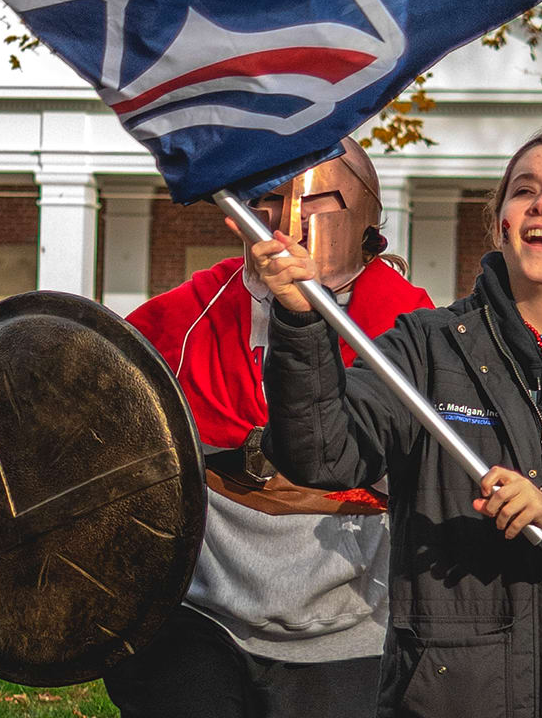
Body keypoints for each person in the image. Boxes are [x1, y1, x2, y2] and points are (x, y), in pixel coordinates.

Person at [249, 126, 542, 717]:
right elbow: (321, 455)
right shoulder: (426, 348)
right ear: (503, 222)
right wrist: (300, 324)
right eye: (524, 190)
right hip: (452, 695)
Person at [107, 139, 434, 718]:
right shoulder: (183, 319)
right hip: (201, 612)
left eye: (316, 202)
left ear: (362, 217)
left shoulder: (411, 332)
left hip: (352, 622)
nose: (286, 224)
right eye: (266, 200)